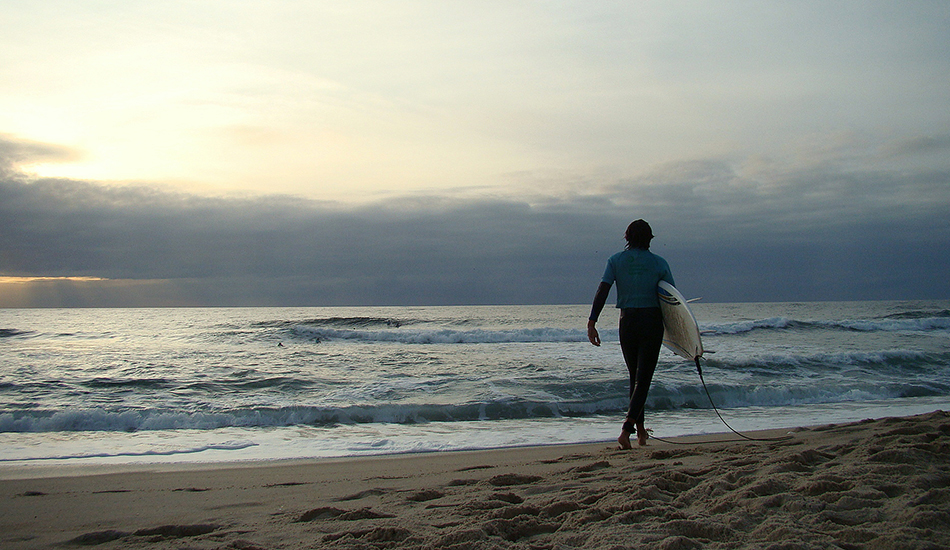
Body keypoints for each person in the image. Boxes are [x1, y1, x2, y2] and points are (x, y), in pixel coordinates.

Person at [587, 219, 674, 450]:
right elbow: (672, 301)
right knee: (643, 377)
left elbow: (602, 290)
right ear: (649, 238)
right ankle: (627, 430)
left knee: (635, 377)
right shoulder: (659, 263)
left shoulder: (615, 261)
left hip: (627, 322)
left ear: (627, 237)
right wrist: (677, 334)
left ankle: (641, 431)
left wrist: (592, 321)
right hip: (651, 321)